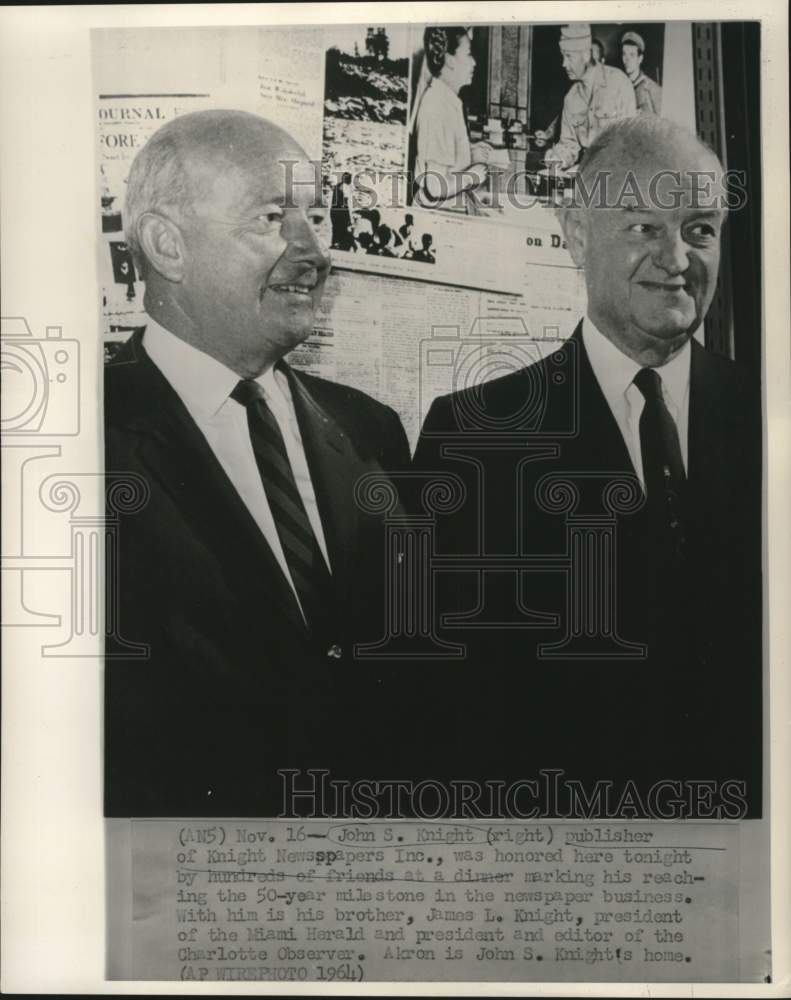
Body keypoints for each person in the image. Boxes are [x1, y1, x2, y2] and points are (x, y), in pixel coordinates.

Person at [412, 117, 761, 813]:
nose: (676, 259)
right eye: (642, 227)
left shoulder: (770, 418)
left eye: (699, 230)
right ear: (576, 235)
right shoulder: (473, 438)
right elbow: (441, 715)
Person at [105, 109, 411, 815]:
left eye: (316, 218)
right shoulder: (77, 446)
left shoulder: (371, 430)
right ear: (167, 246)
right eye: (273, 218)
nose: (315, 252)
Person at [412, 26, 492, 213]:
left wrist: (469, 151)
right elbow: (435, 186)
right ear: (449, 60)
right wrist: (470, 176)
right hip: (438, 213)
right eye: (468, 54)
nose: (474, 63)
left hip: (446, 207)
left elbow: (444, 156)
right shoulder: (439, 107)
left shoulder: (446, 100)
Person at [544, 23, 636, 169]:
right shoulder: (571, 98)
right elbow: (569, 145)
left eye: (569, 57)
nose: (564, 64)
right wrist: (558, 157)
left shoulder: (619, 83)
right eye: (563, 56)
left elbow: (630, 142)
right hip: (587, 172)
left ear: (586, 55)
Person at [621, 30, 663, 115]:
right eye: (624, 54)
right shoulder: (621, 85)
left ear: (640, 59)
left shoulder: (651, 89)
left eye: (632, 55)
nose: (627, 59)